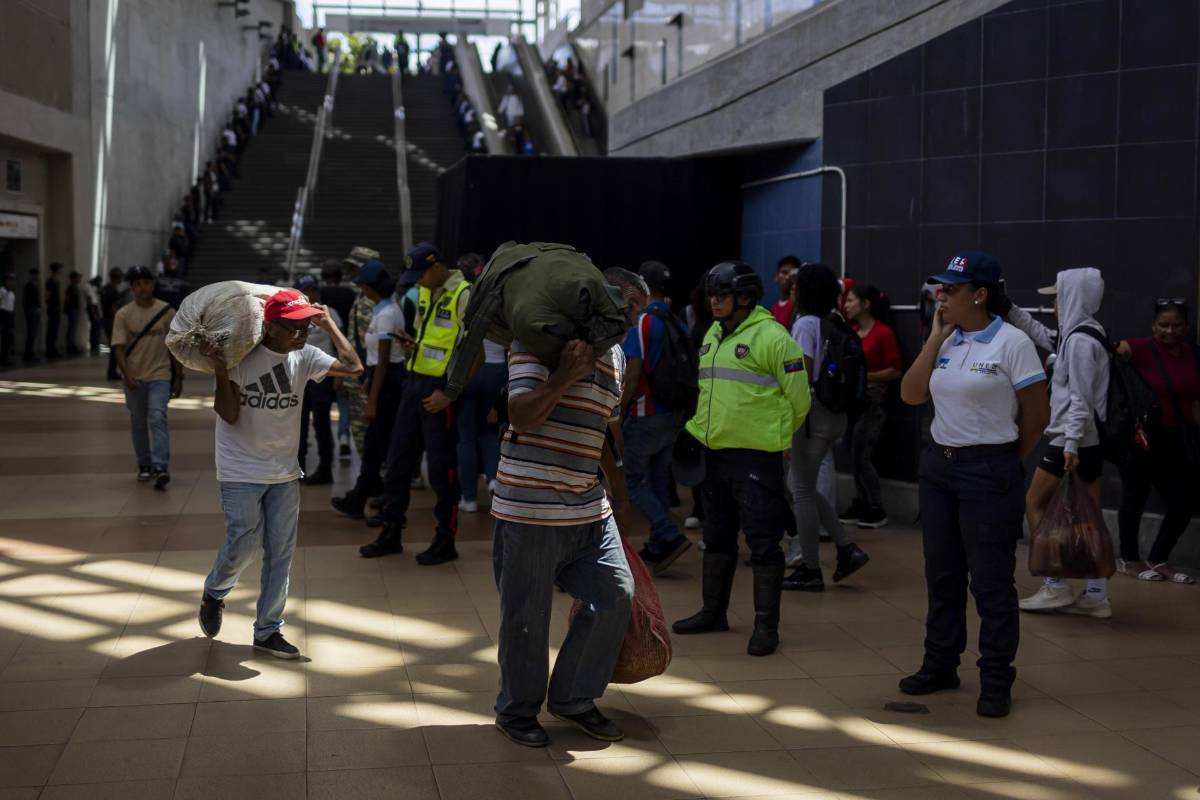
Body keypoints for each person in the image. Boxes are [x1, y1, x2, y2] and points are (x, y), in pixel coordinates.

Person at [898, 251, 1049, 719]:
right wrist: (934, 341)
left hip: (989, 472)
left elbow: (1036, 417)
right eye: (941, 288)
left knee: (990, 582)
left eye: (952, 289)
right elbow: (911, 394)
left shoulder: (1013, 343)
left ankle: (997, 678)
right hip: (939, 471)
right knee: (942, 576)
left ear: (979, 294)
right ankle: (940, 664)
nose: (941, 296)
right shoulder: (944, 338)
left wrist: (998, 458)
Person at [197, 289, 363, 658]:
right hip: (240, 468)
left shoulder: (305, 355)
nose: (301, 335)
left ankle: (267, 630)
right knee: (243, 541)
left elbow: (354, 368)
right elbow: (229, 413)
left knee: (280, 554)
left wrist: (330, 325)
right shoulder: (242, 357)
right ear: (270, 327)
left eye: (305, 326)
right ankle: (215, 591)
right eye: (293, 328)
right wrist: (222, 369)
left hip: (285, 472)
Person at [490, 333, 634, 748]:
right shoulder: (539, 342)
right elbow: (521, 414)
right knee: (527, 618)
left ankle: (572, 696)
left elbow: (606, 427)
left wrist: (619, 488)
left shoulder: (618, 355)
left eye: (635, 311)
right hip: (530, 507)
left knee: (615, 595)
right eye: (625, 307)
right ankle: (516, 711)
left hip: (589, 504)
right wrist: (567, 374)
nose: (627, 320)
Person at [672, 262, 811, 657]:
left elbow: (800, 400)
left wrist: (777, 437)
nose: (714, 301)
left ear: (745, 297)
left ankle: (766, 626)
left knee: (763, 542)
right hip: (714, 455)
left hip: (756, 457)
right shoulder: (713, 335)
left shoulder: (774, 338)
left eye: (723, 294)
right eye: (711, 294)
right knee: (716, 537)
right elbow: (709, 394)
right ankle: (712, 612)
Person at [1002, 268, 1115, 616]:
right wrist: (1008, 307)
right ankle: (1096, 595)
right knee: (1089, 518)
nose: (1053, 304)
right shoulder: (1084, 333)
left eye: (1057, 297)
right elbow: (1041, 334)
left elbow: (1080, 399)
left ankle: (1055, 585)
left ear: (1073, 296)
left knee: (1034, 503)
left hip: (1072, 438)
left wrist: (1068, 446)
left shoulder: (1079, 342)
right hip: (1087, 440)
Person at [359, 244, 468, 565]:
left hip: (440, 392)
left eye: (420, 275)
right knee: (397, 462)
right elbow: (429, 338)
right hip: (413, 383)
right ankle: (392, 531)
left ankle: (445, 539)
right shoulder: (421, 293)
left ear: (435, 268)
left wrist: (450, 392)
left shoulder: (464, 295)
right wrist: (412, 346)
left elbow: (471, 351)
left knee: (440, 470)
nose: (416, 282)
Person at [781, 264, 871, 592]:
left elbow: (799, 375)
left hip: (811, 415)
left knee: (800, 490)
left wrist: (787, 419)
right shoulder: (835, 321)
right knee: (801, 485)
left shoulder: (805, 324)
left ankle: (810, 567)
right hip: (835, 416)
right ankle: (847, 549)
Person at [1115, 299, 1200, 583]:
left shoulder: (1192, 355)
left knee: (1184, 501)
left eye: (1176, 325)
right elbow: (1113, 352)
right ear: (1153, 326)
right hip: (1145, 437)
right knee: (1134, 496)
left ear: (1186, 327)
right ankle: (1129, 559)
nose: (1170, 331)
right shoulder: (1141, 348)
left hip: (1179, 437)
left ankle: (1159, 558)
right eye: (1163, 325)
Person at [617, 261, 693, 573]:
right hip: (672, 414)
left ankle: (668, 533)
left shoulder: (643, 321)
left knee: (634, 481)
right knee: (660, 480)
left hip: (645, 412)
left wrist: (618, 411)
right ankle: (660, 543)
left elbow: (634, 371)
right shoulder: (676, 320)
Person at [331, 260, 407, 518]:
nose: (361, 289)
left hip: (388, 384)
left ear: (369, 286)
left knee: (383, 448)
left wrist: (372, 400)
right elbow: (378, 360)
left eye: (362, 285)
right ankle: (359, 499)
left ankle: (387, 504)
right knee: (375, 448)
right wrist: (369, 379)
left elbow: (385, 361)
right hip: (380, 378)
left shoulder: (386, 314)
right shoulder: (383, 309)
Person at [111, 266, 183, 489]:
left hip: (160, 375)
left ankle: (160, 466)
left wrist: (178, 376)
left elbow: (174, 346)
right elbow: (119, 348)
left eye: (147, 282)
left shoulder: (167, 312)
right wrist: (127, 374)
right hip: (134, 378)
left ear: (153, 285)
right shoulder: (123, 314)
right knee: (138, 422)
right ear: (132, 288)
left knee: (157, 417)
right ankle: (144, 464)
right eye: (138, 283)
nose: (143, 287)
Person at [838, 284, 903, 529]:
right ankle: (861, 501)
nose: (847, 305)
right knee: (852, 451)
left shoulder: (883, 333)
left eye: (852, 300)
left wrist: (865, 377)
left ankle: (876, 505)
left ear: (866, 304)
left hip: (873, 403)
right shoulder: (852, 332)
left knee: (861, 454)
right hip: (852, 402)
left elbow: (896, 370)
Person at [295, 275, 342, 485]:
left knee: (322, 425)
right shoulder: (293, 314)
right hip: (299, 377)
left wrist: (340, 376)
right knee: (298, 424)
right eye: (306, 290)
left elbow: (340, 342)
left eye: (313, 290)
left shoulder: (329, 313)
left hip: (322, 377)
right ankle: (299, 467)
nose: (311, 294)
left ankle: (325, 469)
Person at [342, 246, 381, 460]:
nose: (352, 272)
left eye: (355, 267)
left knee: (366, 433)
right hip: (359, 375)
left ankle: (373, 479)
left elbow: (369, 344)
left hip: (364, 377)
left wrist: (368, 377)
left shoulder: (369, 300)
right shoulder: (364, 296)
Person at [100, 267, 128, 380]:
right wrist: (119, 322)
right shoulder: (112, 291)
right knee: (116, 347)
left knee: (114, 347)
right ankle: (112, 372)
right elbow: (114, 307)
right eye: (121, 276)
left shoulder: (106, 289)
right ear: (117, 277)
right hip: (111, 321)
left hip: (106, 320)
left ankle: (112, 371)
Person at [771, 256, 800, 327]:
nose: (787, 277)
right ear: (776, 276)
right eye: (784, 272)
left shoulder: (799, 307)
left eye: (791, 274)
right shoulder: (773, 310)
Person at [45, 262, 63, 358]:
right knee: (51, 329)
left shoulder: (56, 281)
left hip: (56, 308)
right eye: (60, 269)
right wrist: (51, 305)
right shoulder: (50, 281)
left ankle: (53, 348)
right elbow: (47, 296)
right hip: (53, 308)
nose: (61, 272)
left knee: (55, 330)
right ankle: (49, 350)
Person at [22, 268, 40, 363]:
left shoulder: (35, 285)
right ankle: (28, 354)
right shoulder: (28, 286)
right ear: (32, 275)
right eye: (35, 275)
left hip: (35, 310)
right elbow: (26, 300)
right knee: (31, 333)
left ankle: (31, 352)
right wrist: (29, 310)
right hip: (31, 310)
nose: (37, 276)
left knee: (33, 333)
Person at [64, 271, 84, 356]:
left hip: (74, 310)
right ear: (74, 278)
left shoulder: (75, 287)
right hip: (72, 310)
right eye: (78, 277)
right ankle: (70, 346)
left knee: (73, 328)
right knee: (72, 329)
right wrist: (68, 308)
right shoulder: (71, 288)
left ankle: (72, 345)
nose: (79, 279)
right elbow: (67, 299)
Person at [0, 273, 14, 367]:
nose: (11, 282)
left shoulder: (12, 292)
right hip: (3, 313)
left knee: (9, 337)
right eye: (9, 280)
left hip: (10, 314)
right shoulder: (2, 290)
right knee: (5, 337)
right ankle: (3, 358)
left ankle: (6, 356)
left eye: (12, 280)